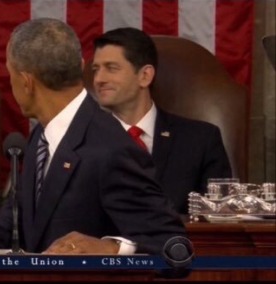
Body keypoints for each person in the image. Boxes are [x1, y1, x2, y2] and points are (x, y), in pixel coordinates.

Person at [0, 18, 186, 255]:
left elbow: (174, 245)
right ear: (80, 66)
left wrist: (110, 248)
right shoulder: (41, 136)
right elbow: (8, 224)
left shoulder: (110, 149)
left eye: (11, 74)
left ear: (27, 82)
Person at [91, 27, 232, 214]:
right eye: (96, 69)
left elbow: (218, 223)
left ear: (145, 76)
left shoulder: (201, 140)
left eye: (111, 68)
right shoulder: (82, 140)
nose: (99, 79)